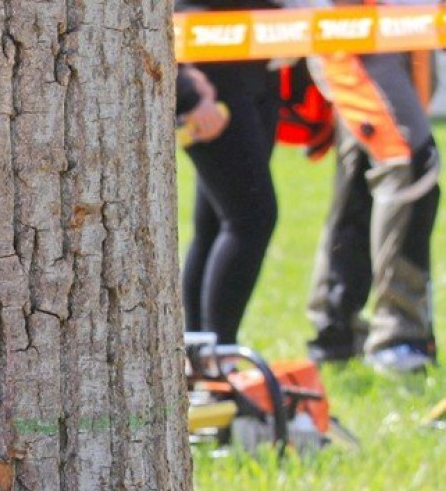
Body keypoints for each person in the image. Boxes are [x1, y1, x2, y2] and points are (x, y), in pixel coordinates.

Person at [305, 47, 440, 374]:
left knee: (360, 180)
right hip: (357, 37)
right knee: (407, 164)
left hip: (405, 37)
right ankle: (398, 337)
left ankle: (337, 330)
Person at [173, 32, 280, 346]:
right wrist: (182, 82)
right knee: (251, 219)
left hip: (258, 62)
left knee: (216, 225)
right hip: (208, 72)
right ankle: (216, 359)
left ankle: (199, 360)